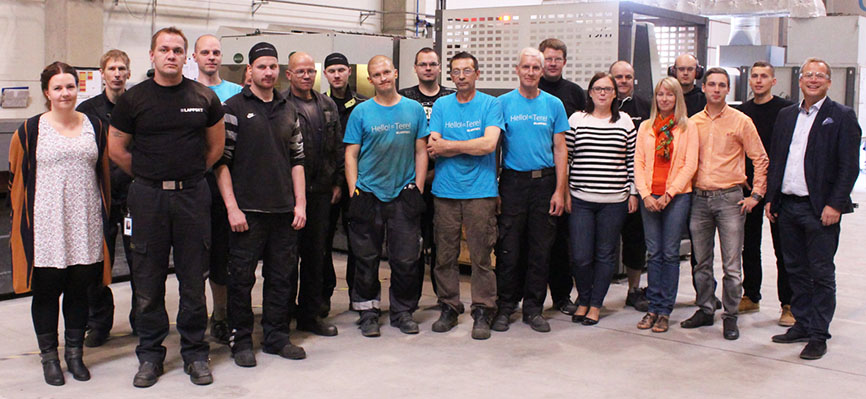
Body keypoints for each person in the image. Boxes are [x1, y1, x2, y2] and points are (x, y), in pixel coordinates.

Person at [108, 26, 225, 387]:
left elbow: (215, 149)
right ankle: (150, 355)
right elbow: (117, 149)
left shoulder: (205, 97)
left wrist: (186, 176)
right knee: (147, 279)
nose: (171, 55)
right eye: (164, 49)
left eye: (177, 50)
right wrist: (149, 177)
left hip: (192, 196)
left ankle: (194, 353)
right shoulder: (133, 100)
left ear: (186, 56)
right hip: (147, 199)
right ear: (152, 55)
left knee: (193, 280)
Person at [9, 62, 112, 386]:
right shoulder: (30, 130)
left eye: (70, 86)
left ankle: (74, 355)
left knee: (80, 291)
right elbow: (17, 181)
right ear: (47, 92)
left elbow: (104, 175)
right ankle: (50, 357)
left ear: (77, 89)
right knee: (46, 292)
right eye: (58, 88)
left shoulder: (95, 126)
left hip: (85, 223)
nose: (65, 93)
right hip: (46, 224)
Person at [216, 42, 308, 367]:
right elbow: (221, 162)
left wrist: (301, 204)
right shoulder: (232, 108)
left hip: (284, 213)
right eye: (261, 67)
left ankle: (276, 337)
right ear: (249, 71)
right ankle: (241, 340)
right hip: (247, 214)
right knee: (241, 279)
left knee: (282, 278)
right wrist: (231, 208)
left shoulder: (288, 108)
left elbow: (297, 159)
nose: (267, 72)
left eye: (272, 66)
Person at [766, 58, 861, 360]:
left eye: (820, 76)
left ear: (829, 82)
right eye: (808, 75)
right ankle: (802, 324)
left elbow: (849, 166)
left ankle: (819, 334)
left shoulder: (842, 116)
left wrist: (835, 203)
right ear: (800, 80)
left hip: (820, 210)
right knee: (794, 269)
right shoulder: (785, 116)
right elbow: (777, 159)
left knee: (820, 273)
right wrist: (771, 198)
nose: (813, 80)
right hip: (788, 206)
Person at [680, 67, 768, 341]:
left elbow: (760, 158)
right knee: (701, 262)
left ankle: (730, 316)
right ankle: (705, 308)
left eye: (722, 85)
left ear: (728, 90)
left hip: (730, 199)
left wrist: (756, 194)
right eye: (712, 85)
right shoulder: (692, 122)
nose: (716, 89)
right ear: (703, 88)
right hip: (700, 199)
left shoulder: (741, 121)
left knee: (732, 265)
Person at [344, 55, 429, 337]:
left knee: (405, 259)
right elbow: (351, 154)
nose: (382, 78)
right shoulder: (361, 112)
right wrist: (354, 191)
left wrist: (417, 188)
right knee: (366, 258)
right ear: (370, 80)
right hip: (368, 193)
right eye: (376, 75)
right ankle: (368, 312)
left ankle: (402, 311)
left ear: (395, 73)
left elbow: (420, 151)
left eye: (386, 73)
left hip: (403, 194)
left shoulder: (414, 110)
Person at [426, 52, 504, 340]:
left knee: (482, 255)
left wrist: (450, 146)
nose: (461, 76)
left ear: (477, 73)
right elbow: (434, 145)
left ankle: (483, 308)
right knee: (444, 254)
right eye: (456, 71)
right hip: (445, 191)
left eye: (467, 71)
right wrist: (456, 146)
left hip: (480, 192)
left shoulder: (490, 104)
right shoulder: (442, 105)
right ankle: (449, 305)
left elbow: (488, 144)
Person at [492, 47, 568, 333]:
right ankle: (505, 306)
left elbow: (560, 149)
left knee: (540, 249)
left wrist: (560, 190)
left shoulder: (554, 104)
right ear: (517, 69)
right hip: (512, 183)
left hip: (544, 183)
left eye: (536, 68)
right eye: (526, 67)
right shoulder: (502, 104)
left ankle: (533, 308)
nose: (531, 72)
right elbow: (494, 149)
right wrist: (495, 187)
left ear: (541, 71)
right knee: (509, 248)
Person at [566, 72, 637, 326]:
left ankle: (595, 304)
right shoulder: (576, 120)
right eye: (598, 88)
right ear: (590, 92)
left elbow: (632, 160)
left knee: (605, 255)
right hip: (580, 198)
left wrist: (633, 192)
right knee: (581, 255)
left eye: (608, 89)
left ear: (615, 94)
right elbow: (568, 157)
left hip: (614, 199)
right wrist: (564, 191)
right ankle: (583, 300)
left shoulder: (625, 122)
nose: (603, 93)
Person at [76, 49, 136, 347]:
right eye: (111, 68)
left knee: (141, 262)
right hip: (100, 199)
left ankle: (143, 318)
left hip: (134, 200)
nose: (116, 73)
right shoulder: (87, 111)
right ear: (102, 73)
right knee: (98, 264)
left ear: (128, 73)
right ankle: (99, 322)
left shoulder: (139, 105)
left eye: (121, 68)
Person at [633, 77, 699, 333]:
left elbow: (689, 165)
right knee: (654, 253)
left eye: (670, 95)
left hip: (676, 197)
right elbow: (638, 163)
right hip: (649, 197)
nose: (664, 99)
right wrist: (646, 194)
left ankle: (664, 311)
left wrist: (669, 194)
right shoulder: (647, 127)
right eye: (660, 94)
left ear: (677, 99)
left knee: (670, 254)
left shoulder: (687, 127)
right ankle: (652, 307)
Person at [283, 51, 342, 336]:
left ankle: (309, 314)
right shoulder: (280, 105)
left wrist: (338, 182)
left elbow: (338, 147)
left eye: (310, 71)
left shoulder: (327, 105)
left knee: (315, 256)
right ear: (289, 75)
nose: (307, 76)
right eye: (301, 71)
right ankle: (281, 315)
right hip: (287, 195)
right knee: (284, 259)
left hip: (320, 192)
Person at [735, 61, 795, 325]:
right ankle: (751, 295)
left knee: (783, 248)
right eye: (754, 76)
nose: (758, 81)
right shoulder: (742, 112)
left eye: (764, 76)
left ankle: (789, 303)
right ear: (750, 81)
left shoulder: (786, 111)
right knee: (749, 244)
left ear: (774, 81)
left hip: (777, 189)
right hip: (748, 187)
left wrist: (775, 184)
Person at [192, 34, 242, 344]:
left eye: (216, 52)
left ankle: (221, 315)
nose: (211, 57)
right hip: (194, 184)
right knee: (194, 258)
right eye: (205, 52)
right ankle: (195, 315)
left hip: (229, 184)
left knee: (222, 257)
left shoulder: (236, 94)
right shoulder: (186, 93)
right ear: (194, 58)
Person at [399, 47, 454, 297]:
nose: (428, 68)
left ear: (440, 67)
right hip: (412, 181)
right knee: (413, 243)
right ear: (415, 68)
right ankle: (411, 299)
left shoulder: (451, 98)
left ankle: (444, 299)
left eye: (433, 64)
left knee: (443, 244)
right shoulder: (404, 98)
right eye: (423, 64)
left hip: (445, 180)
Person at [537, 38, 586, 316]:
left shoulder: (575, 94)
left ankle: (561, 296)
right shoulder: (530, 91)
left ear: (564, 62)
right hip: (535, 177)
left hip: (566, 177)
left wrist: (565, 184)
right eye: (548, 59)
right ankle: (530, 297)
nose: (552, 64)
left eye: (557, 59)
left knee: (561, 243)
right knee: (534, 242)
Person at [322, 52, 367, 314]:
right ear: (325, 74)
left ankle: (358, 296)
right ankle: (322, 297)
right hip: (328, 186)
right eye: (332, 70)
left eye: (341, 69)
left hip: (358, 183)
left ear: (349, 71)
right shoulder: (320, 104)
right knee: (322, 244)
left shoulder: (363, 105)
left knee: (359, 243)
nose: (337, 75)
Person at [610, 60, 651, 311]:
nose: (623, 81)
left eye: (627, 77)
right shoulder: (598, 106)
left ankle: (634, 290)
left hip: (638, 185)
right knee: (602, 243)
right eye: (618, 77)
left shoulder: (646, 107)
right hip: (605, 185)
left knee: (636, 240)